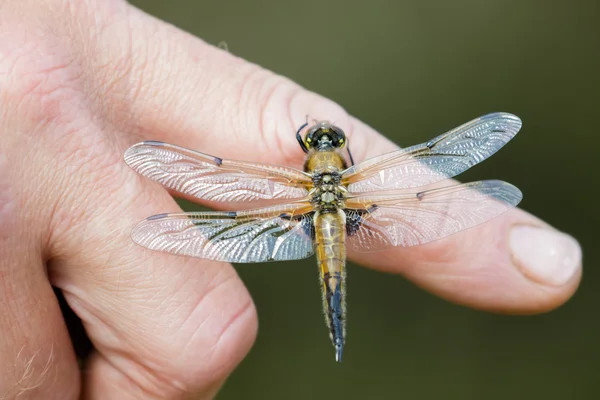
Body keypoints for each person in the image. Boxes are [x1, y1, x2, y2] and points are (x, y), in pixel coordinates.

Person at [0, 0, 582, 398]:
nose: (323, 144)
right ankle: (340, 329)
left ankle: (335, 327)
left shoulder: (299, 185)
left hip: (308, 215)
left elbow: (209, 178)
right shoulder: (354, 184)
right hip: (343, 215)